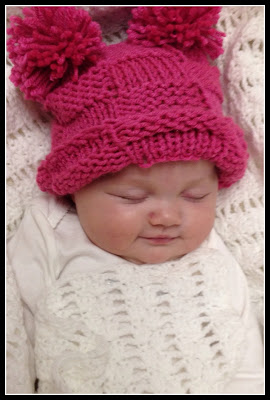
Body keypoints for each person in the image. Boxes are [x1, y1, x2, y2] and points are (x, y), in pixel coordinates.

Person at [6, 6, 264, 394]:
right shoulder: (53, 230)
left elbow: (244, 348)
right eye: (132, 196)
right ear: (76, 187)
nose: (167, 216)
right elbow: (14, 332)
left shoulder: (209, 249)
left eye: (195, 196)